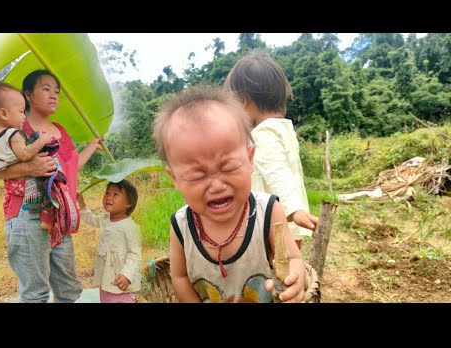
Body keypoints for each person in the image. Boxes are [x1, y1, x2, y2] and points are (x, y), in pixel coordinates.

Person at [152, 85, 306, 303]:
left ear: (249, 158)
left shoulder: (268, 212)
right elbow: (179, 276)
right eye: (197, 176)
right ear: (175, 178)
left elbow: (293, 259)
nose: (216, 185)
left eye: (229, 167)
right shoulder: (181, 226)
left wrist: (296, 281)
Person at [0, 69, 103, 303]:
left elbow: (69, 167)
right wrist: (28, 169)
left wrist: (90, 147)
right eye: (46, 89)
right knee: (35, 294)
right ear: (28, 95)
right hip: (28, 217)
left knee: (69, 290)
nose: (54, 94)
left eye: (57, 91)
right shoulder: (13, 129)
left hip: (58, 216)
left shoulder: (59, 130)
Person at [223, 51, 319, 249]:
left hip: (277, 224)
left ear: (243, 102)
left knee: (277, 271)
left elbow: (277, 174)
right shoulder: (283, 128)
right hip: (286, 222)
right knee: (285, 270)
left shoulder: (264, 133)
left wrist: (293, 212)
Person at [0, 81, 59, 230]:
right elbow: (25, 154)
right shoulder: (14, 134)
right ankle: (46, 217)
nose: (24, 116)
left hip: (11, 185)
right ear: (3, 114)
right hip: (25, 187)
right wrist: (42, 140)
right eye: (21, 112)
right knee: (49, 183)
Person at [77, 180, 141, 303]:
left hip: (121, 284)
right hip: (106, 281)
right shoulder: (105, 219)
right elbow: (91, 220)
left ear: (128, 203)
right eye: (107, 193)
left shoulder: (130, 227)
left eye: (115, 194)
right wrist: (82, 204)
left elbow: (135, 254)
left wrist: (126, 275)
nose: (109, 197)